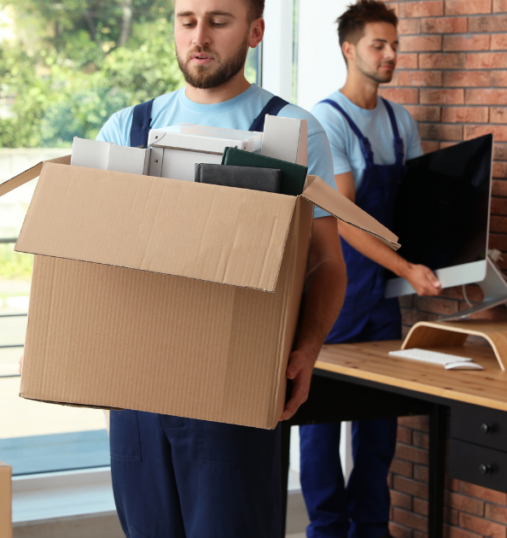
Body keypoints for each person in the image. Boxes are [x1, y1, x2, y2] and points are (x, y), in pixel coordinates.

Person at [89, 0, 344, 534]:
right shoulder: (126, 128)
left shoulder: (292, 132)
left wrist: (308, 346)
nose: (198, 35)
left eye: (218, 21)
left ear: (255, 31)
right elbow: (88, 259)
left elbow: (325, 262)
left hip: (237, 379)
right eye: (187, 21)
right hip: (136, 392)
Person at [299, 2, 442, 537]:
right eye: (379, 45)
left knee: (379, 427)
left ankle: (372, 529)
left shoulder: (400, 121)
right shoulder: (325, 122)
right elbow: (345, 220)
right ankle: (328, 530)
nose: (390, 55)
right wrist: (408, 267)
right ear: (349, 49)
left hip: (383, 300)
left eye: (395, 45)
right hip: (334, 292)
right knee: (319, 424)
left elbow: (416, 211)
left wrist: (455, 263)